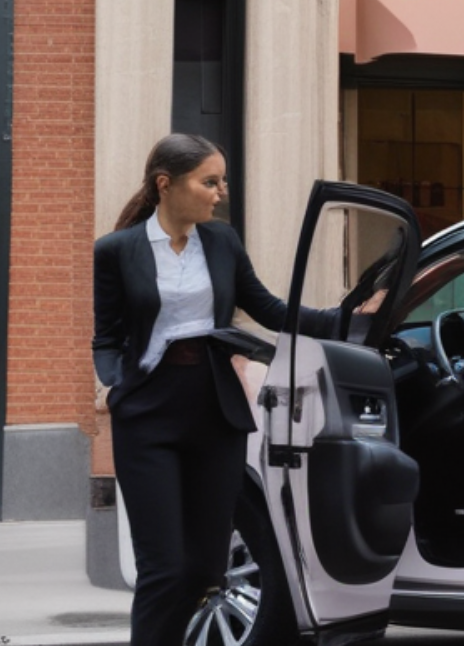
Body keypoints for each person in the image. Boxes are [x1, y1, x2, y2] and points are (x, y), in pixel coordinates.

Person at [92, 133, 340, 645]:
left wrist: (345, 318)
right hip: (147, 412)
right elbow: (107, 335)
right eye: (209, 181)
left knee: (206, 569)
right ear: (166, 184)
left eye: (221, 181)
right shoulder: (117, 251)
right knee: (162, 569)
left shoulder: (222, 241)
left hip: (215, 408)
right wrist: (114, 384)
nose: (220, 192)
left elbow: (269, 308)